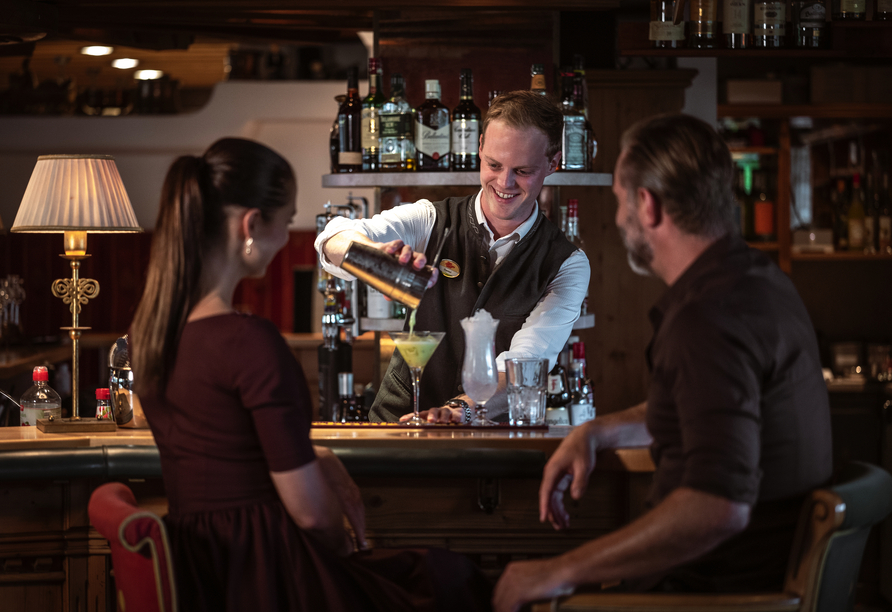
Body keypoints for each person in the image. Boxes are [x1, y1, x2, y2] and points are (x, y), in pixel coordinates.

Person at [130, 137, 491, 612]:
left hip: (204, 572)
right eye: (285, 221)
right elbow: (313, 516)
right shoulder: (249, 342)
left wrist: (311, 452)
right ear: (252, 225)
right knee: (454, 578)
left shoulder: (149, 334)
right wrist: (347, 551)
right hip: (268, 574)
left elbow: (208, 442)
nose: (285, 238)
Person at [492, 114, 833, 612]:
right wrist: (599, 432)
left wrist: (557, 570)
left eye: (618, 202)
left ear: (647, 205)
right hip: (746, 582)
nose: (620, 218)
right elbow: (705, 413)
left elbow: (718, 507)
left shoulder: (706, 319)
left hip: (711, 595)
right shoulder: (758, 282)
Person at [316, 90, 591, 423]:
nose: (504, 182)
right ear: (478, 150)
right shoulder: (430, 220)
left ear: (553, 163)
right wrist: (375, 258)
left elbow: (525, 361)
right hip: (395, 427)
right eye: (493, 164)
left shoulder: (566, 263)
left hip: (491, 442)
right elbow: (332, 237)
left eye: (522, 170)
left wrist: (460, 411)